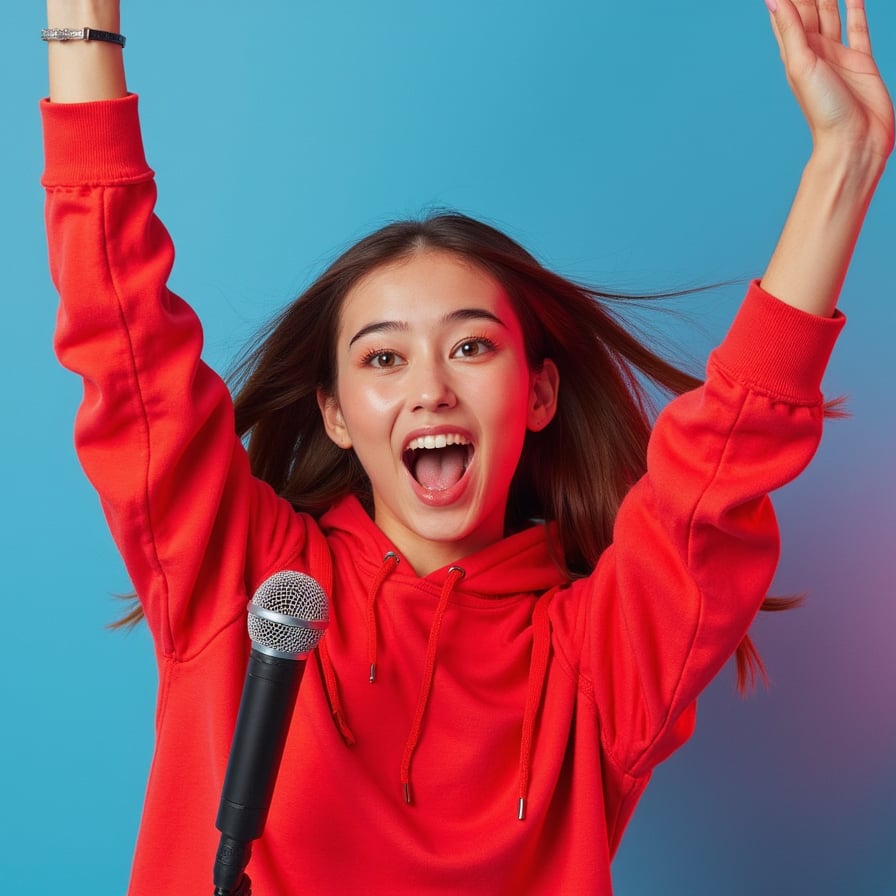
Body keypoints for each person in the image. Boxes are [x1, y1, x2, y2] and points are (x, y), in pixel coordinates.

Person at [41, 0, 892, 894]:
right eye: (384, 357)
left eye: (472, 346)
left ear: (539, 394)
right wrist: (81, 23)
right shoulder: (247, 580)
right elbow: (125, 341)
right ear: (336, 414)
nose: (431, 388)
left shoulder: (598, 661)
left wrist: (843, 162)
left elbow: (715, 478)